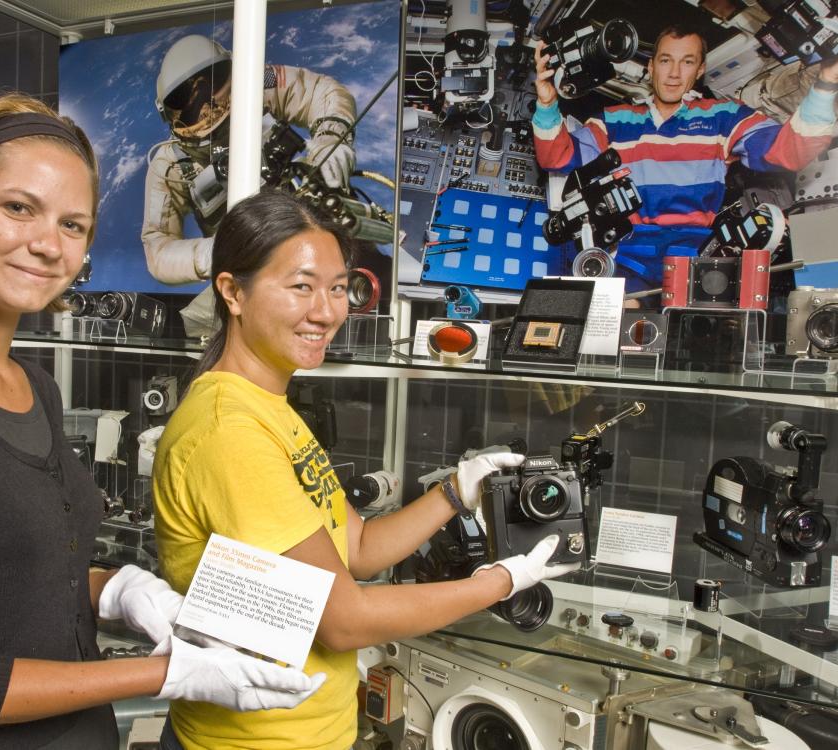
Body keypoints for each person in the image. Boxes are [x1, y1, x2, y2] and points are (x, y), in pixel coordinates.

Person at [0, 94, 323, 749]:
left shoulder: (34, 388)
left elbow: (15, 580)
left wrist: (116, 589)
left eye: (73, 226)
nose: (46, 245)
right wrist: (158, 673)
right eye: (18, 208)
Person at [151, 189, 578, 750]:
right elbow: (344, 620)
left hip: (313, 731)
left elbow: (359, 547)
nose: (326, 311)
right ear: (233, 292)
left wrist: (456, 491)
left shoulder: (269, 409)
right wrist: (499, 583)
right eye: (301, 286)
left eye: (336, 287)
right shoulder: (229, 431)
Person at [532, 23, 838, 289]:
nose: (675, 74)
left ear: (700, 70)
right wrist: (547, 103)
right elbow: (557, 157)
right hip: (628, 254)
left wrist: (825, 85)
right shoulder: (614, 120)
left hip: (696, 258)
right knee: (619, 330)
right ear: (651, 66)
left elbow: (788, 152)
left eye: (687, 62)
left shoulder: (725, 116)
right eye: (666, 61)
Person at [141, 35, 357, 335]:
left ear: (231, 73)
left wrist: (332, 139)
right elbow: (158, 249)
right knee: (188, 329)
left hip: (315, 227)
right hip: (250, 268)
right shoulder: (171, 164)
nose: (206, 107)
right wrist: (213, 252)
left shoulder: (256, 83)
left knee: (357, 278)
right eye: (188, 102)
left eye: (209, 86)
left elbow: (321, 91)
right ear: (169, 113)